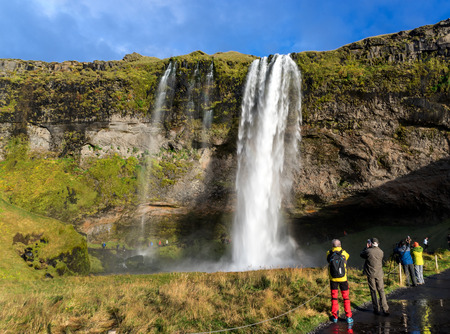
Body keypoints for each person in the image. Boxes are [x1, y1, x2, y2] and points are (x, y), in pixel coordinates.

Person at [360, 238, 389, 316]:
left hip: (370, 274)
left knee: (373, 290)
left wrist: (367, 247)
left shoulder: (368, 251)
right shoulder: (381, 252)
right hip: (379, 273)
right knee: (381, 290)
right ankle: (385, 308)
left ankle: (376, 309)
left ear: (371, 243)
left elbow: (361, 254)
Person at [326, 239, 353, 324]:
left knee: (334, 297)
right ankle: (348, 317)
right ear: (340, 245)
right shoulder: (344, 253)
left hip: (333, 279)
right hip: (343, 279)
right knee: (346, 297)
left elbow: (328, 260)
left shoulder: (329, 253)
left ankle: (335, 317)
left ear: (332, 245)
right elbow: (347, 257)